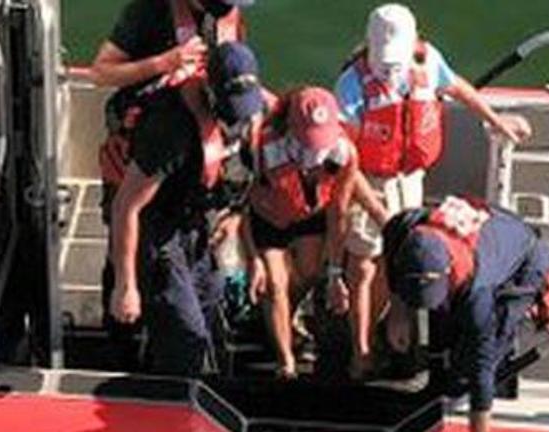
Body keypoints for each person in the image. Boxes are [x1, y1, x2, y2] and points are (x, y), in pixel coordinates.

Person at [333, 3, 532, 379]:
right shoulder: (351, 88)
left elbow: (455, 86)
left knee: (405, 252)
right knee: (364, 267)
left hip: (408, 176)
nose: (390, 69)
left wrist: (494, 119)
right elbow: (345, 160)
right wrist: (375, 208)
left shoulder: (428, 63)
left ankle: (397, 318)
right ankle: (360, 352)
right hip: (367, 181)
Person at [384, 196, 549, 432]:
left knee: (481, 355)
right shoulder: (404, 229)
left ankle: (479, 408)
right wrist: (398, 310)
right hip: (490, 231)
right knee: (443, 326)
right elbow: (392, 256)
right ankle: (440, 372)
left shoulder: (477, 294)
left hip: (521, 260)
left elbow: (482, 370)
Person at [108, 42, 267, 377]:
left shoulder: (247, 114)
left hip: (200, 228)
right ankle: (173, 401)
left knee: (210, 312)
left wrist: (235, 217)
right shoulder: (171, 130)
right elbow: (126, 206)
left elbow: (242, 173)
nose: (238, 114)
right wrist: (127, 285)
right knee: (184, 338)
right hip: (161, 231)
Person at [242, 87, 388, 379]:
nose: (317, 152)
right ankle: (286, 360)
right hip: (268, 220)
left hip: (309, 215)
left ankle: (281, 321)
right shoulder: (262, 148)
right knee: (276, 284)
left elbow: (338, 211)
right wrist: (252, 257)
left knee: (309, 273)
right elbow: (242, 207)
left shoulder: (344, 153)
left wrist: (335, 274)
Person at [89, 0, 255, 195]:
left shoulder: (228, 13)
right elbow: (100, 73)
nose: (226, 11)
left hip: (202, 119)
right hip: (153, 128)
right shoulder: (149, 11)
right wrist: (163, 62)